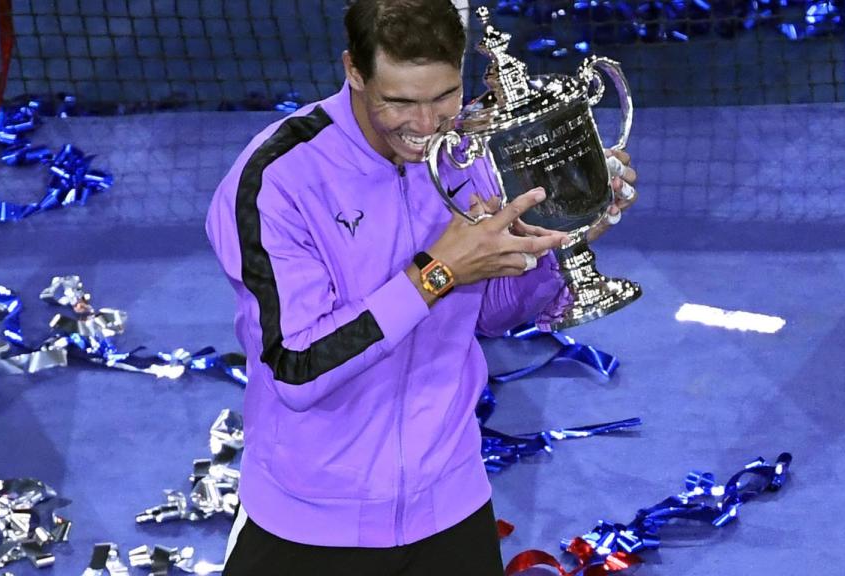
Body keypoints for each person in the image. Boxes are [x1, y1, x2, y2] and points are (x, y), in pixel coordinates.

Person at [205, 1, 638, 574]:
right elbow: (297, 366)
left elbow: (494, 313)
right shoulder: (276, 180)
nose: (428, 124)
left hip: (449, 502)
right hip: (309, 516)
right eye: (400, 101)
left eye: (444, 96)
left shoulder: (472, 150)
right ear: (354, 71)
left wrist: (559, 235)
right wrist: (437, 271)